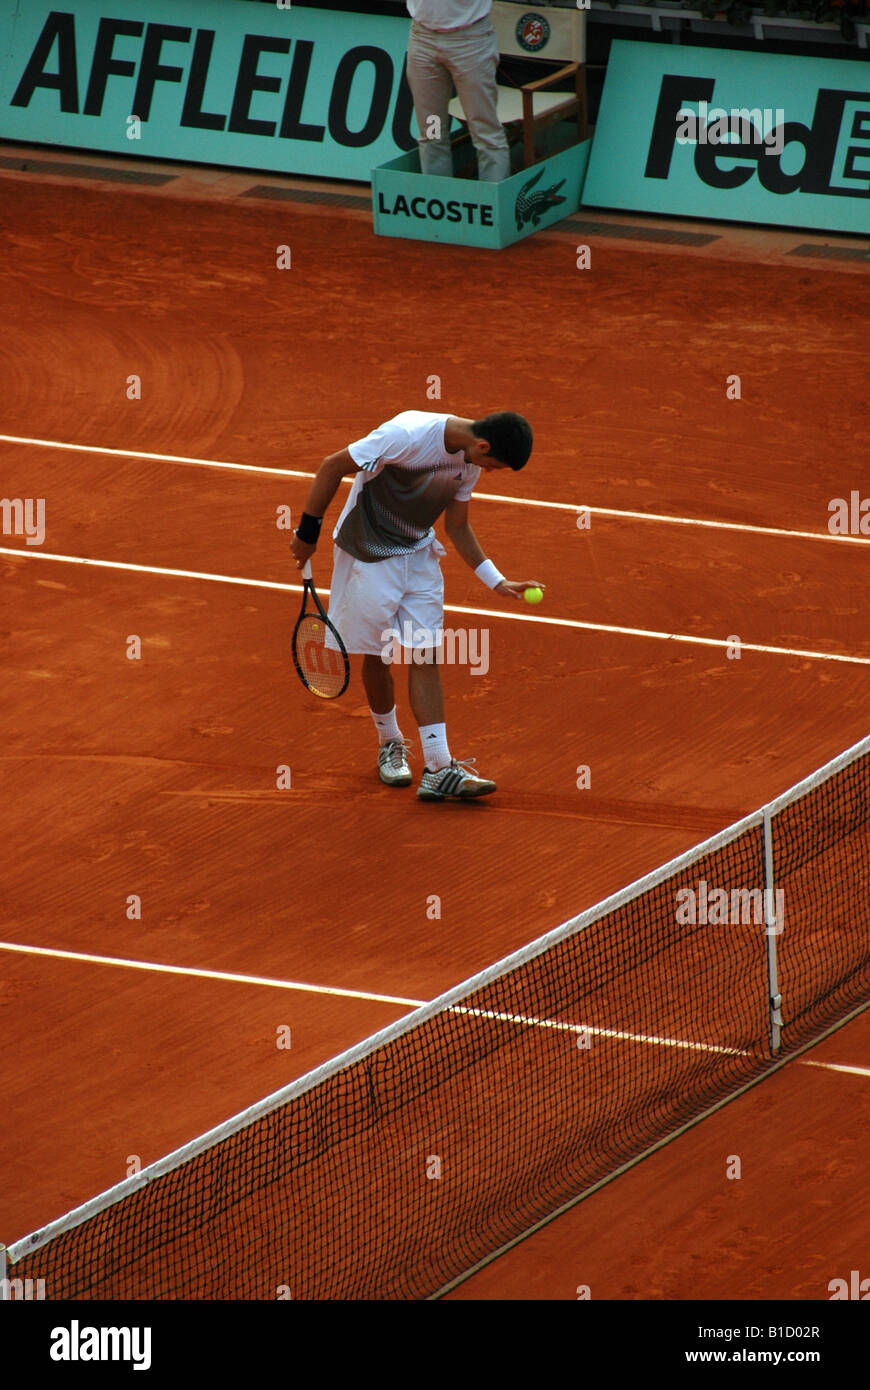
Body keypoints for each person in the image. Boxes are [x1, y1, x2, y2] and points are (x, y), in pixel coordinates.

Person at [289, 411, 541, 801]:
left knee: (426, 653)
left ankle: (439, 768)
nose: (489, 472)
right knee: (379, 654)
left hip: (419, 557)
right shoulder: (405, 435)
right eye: (494, 466)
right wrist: (308, 533)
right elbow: (332, 465)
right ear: (483, 446)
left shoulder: (469, 461)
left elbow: (456, 525)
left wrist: (497, 580)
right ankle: (389, 741)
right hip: (367, 553)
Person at [405, 1, 511, 182]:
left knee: (485, 133)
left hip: (471, 41)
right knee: (433, 131)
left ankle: (492, 203)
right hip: (422, 39)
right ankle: (437, 198)